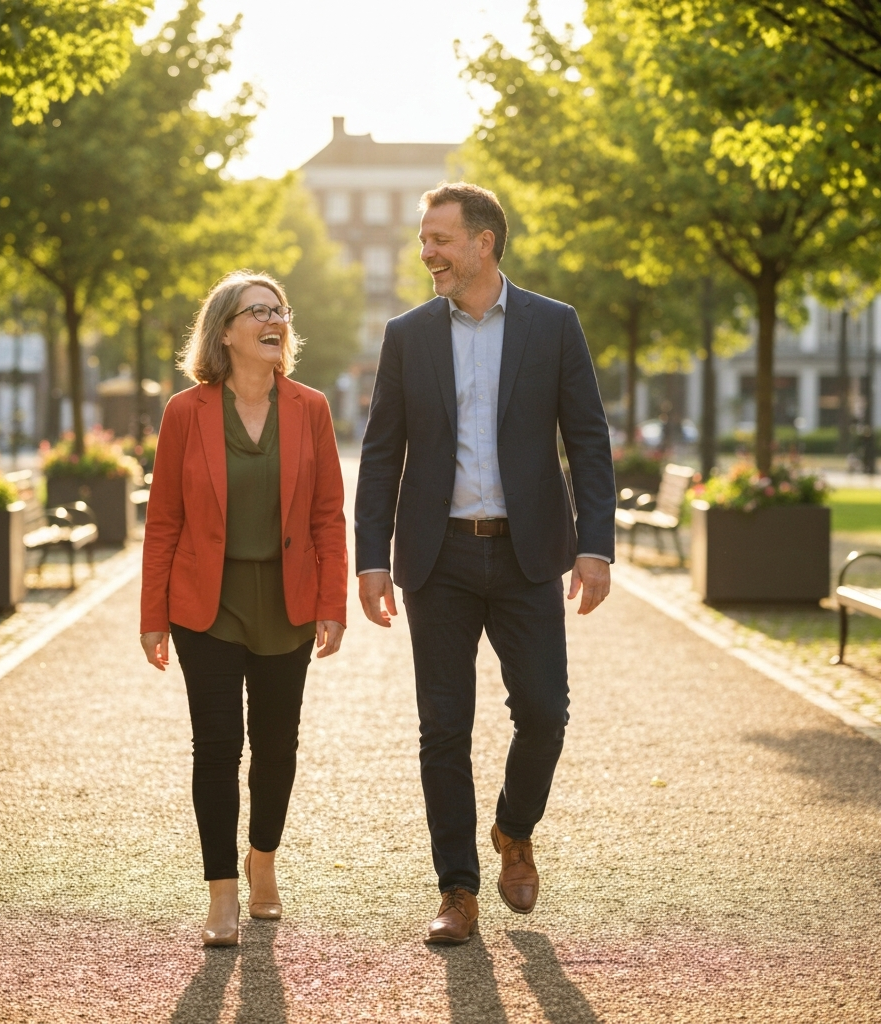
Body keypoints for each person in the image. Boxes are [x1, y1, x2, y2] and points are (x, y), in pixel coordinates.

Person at [355, 183, 615, 945]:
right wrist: (371, 558)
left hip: (527, 554)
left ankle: (514, 828)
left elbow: (588, 440)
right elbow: (381, 453)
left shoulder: (553, 325)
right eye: (423, 240)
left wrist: (595, 545)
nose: (426, 253)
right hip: (436, 558)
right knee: (443, 728)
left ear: (483, 242)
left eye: (439, 240)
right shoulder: (408, 335)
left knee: (544, 712)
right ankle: (457, 891)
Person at [141, 270, 347, 947]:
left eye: (280, 310)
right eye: (258, 310)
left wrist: (332, 602)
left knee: (277, 745)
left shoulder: (311, 408)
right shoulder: (185, 412)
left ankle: (263, 860)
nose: (275, 320)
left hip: (287, 601)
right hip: (207, 604)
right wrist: (152, 615)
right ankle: (222, 892)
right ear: (225, 331)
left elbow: (327, 514)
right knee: (216, 745)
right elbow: (163, 521)